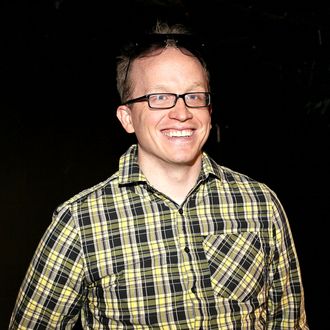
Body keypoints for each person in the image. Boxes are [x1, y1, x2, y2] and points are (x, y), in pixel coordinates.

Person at [10, 21, 308, 329]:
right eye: (160, 97)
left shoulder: (259, 203)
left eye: (193, 96)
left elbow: (289, 321)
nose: (181, 112)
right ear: (127, 118)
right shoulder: (81, 221)